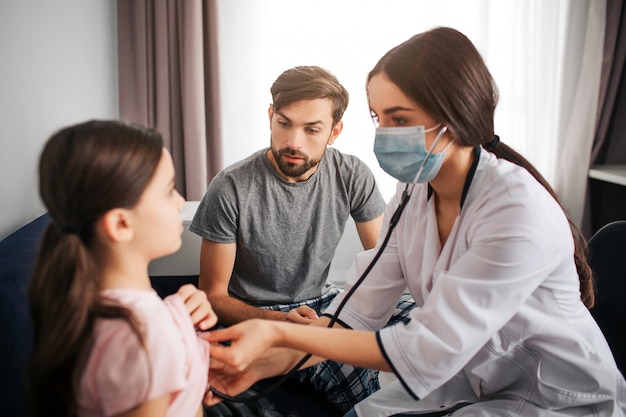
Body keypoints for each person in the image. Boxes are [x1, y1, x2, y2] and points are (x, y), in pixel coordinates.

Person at [202, 27, 626, 417]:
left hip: (558, 399)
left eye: (400, 120)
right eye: (379, 118)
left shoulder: (516, 210)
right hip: (476, 379)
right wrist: (256, 368)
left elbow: (427, 349)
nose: (385, 135)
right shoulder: (412, 195)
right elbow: (356, 313)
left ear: (454, 116)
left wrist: (280, 337)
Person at [191, 65, 416, 412]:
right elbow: (213, 295)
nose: (294, 142)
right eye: (284, 124)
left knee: (422, 315)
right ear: (270, 116)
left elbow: (385, 264)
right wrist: (282, 323)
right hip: (258, 313)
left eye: (312, 129)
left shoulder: (352, 173)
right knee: (348, 366)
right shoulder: (231, 186)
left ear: (334, 131)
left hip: (322, 301)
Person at [26, 120, 218, 417]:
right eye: (169, 191)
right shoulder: (146, 336)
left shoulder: (88, 302)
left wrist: (180, 322)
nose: (180, 201)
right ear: (121, 224)